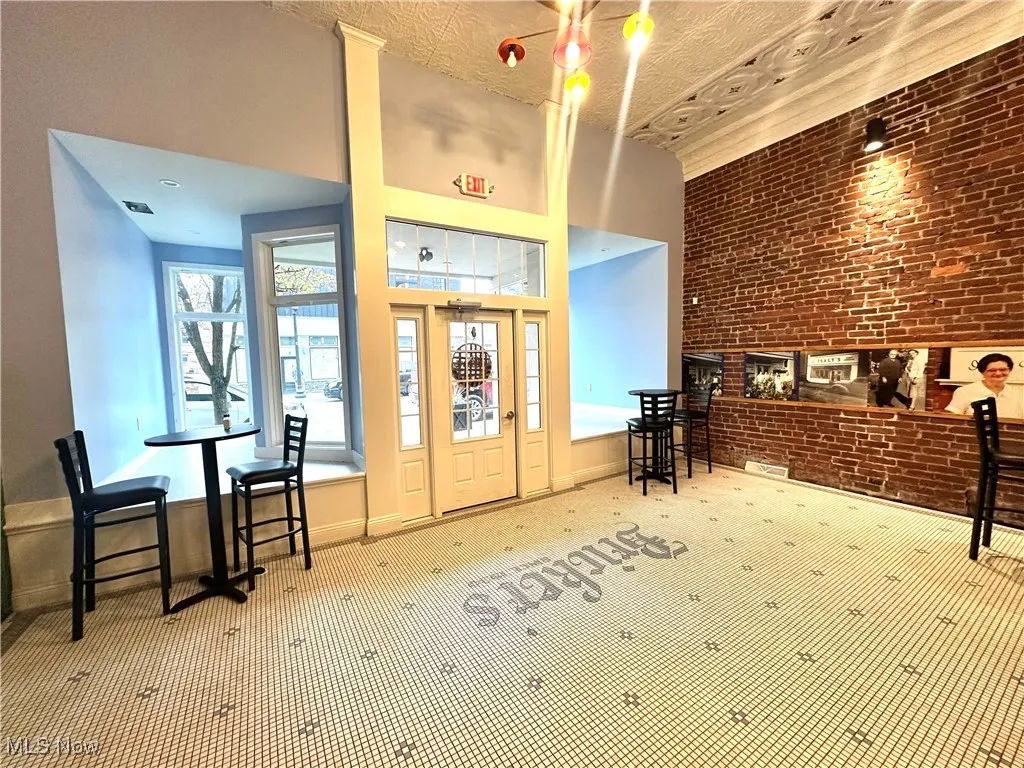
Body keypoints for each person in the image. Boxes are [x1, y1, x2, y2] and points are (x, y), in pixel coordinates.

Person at [946, 352, 1023, 419]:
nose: (998, 373)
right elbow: (953, 418)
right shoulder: (964, 391)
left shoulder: (1020, 393)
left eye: (1003, 370)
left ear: (1010, 370)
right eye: (992, 370)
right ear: (982, 372)